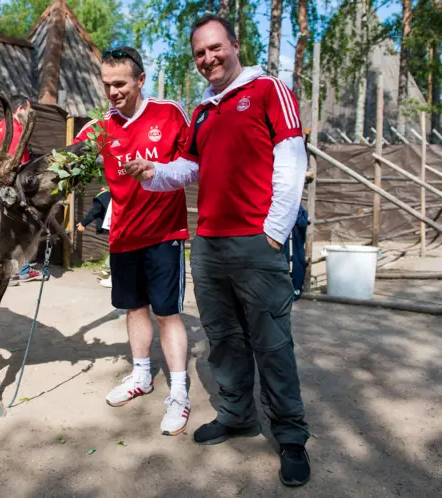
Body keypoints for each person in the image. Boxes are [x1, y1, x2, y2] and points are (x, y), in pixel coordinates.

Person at [124, 15, 311, 486]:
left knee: (271, 342)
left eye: (215, 48)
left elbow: (291, 157)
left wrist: (275, 230)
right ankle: (237, 413)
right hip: (207, 244)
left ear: (234, 44)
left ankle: (290, 437)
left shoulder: (270, 90)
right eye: (200, 54)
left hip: (256, 241)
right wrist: (152, 171)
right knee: (224, 338)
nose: (208, 59)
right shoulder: (204, 109)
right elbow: (188, 169)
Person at [74, 46, 192, 436]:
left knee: (166, 313)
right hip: (123, 235)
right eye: (107, 85)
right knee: (134, 308)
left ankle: (178, 391)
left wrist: (156, 170)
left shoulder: (169, 113)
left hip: (164, 233)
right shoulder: (98, 129)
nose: (113, 92)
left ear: (140, 80)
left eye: (120, 83)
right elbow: (64, 165)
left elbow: (194, 166)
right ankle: (141, 375)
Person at [0, 95, 41, 285]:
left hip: (6, 186)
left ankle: (17, 270)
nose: (30, 114)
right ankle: (17, 270)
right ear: (20, 109)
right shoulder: (14, 131)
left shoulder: (5, 126)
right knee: (19, 228)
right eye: (29, 109)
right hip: (12, 188)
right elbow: (12, 165)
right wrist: (0, 191)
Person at [76, 186, 112, 287]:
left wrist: (83, 223)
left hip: (117, 225)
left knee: (117, 249)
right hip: (121, 224)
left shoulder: (103, 197)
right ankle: (107, 269)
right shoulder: (114, 195)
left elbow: (95, 211)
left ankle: (109, 272)